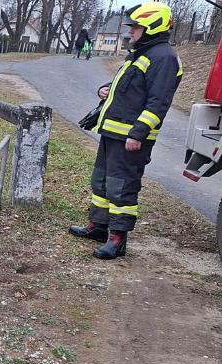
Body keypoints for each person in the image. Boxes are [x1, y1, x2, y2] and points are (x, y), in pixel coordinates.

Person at [69, 2, 182, 259]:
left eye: (136, 27)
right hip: (113, 132)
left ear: (152, 27)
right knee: (102, 182)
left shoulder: (164, 58)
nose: (130, 31)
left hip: (131, 138)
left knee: (122, 188)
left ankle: (117, 239)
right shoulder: (141, 54)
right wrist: (105, 89)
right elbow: (127, 86)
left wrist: (138, 133)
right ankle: (98, 227)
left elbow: (159, 102)